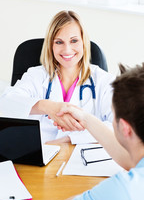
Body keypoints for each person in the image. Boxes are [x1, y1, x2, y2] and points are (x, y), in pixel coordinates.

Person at [49, 62, 144, 200]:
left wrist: (100, 194)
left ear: (124, 128)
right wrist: (85, 118)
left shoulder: (125, 192)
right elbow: (131, 160)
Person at [0, 10, 114, 144]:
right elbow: (5, 104)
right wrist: (49, 107)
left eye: (74, 41)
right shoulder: (36, 76)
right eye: (59, 42)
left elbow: (121, 127)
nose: (67, 50)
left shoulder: (103, 81)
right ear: (51, 45)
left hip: (80, 159)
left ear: (84, 42)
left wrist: (68, 140)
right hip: (39, 159)